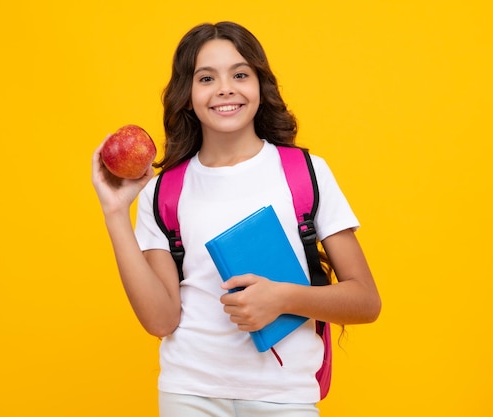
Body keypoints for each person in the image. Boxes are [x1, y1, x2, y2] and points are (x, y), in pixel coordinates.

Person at [92, 21, 381, 417]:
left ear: (260, 85)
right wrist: (114, 213)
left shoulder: (305, 173)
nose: (225, 88)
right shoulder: (163, 191)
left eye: (240, 74)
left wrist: (281, 298)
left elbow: (366, 301)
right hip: (188, 395)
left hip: (285, 397)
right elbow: (161, 321)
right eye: (206, 78)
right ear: (187, 95)